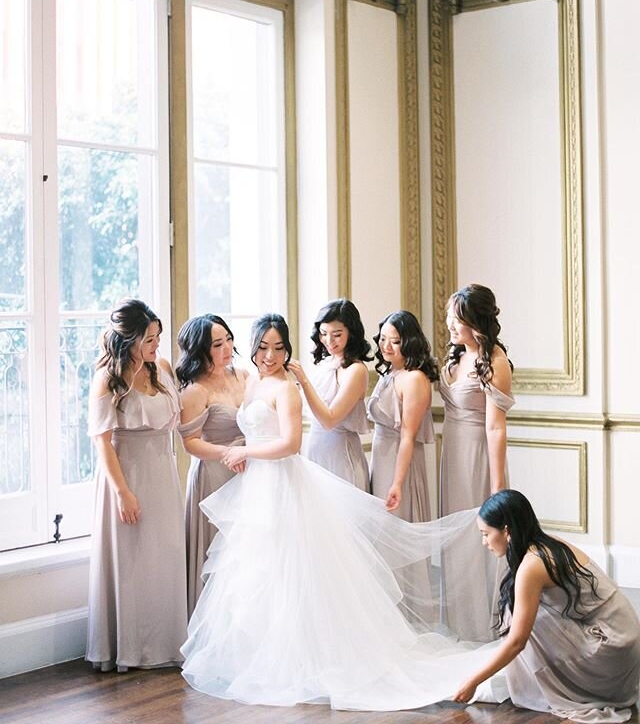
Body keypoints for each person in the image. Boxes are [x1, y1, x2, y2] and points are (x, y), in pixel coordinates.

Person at [181, 313, 506, 710]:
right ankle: (261, 653)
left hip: (281, 481)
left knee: (291, 571)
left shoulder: (286, 388)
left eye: (279, 347)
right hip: (256, 487)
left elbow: (289, 444)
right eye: (263, 347)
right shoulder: (251, 383)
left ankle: (304, 659)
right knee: (258, 573)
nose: (270, 355)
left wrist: (244, 451)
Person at [454, 490, 640, 723]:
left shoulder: (532, 565)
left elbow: (517, 642)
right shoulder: (548, 544)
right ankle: (532, 680)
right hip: (625, 639)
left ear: (507, 531)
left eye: (486, 534)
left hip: (612, 650)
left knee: (522, 620)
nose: (484, 543)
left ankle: (550, 687)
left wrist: (474, 681)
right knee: (523, 611)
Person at [86, 298, 187, 671]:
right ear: (127, 341)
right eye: (149, 339)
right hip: (125, 472)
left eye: (157, 337)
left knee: (165, 555)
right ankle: (127, 648)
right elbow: (102, 441)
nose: (156, 345)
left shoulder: (159, 368)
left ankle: (165, 643)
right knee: (131, 562)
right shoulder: (107, 380)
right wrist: (123, 492)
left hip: (162, 471)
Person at [175, 314, 248, 616]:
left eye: (228, 339)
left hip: (249, 472)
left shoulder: (243, 375)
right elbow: (190, 442)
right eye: (217, 344)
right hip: (215, 475)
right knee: (216, 550)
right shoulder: (195, 391)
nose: (227, 348)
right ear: (200, 350)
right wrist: (226, 454)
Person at [439, 284, 514, 516]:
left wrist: (497, 485)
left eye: (457, 319)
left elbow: (495, 428)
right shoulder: (459, 353)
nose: (450, 324)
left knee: (477, 521)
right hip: (452, 449)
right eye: (449, 317)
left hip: (477, 453)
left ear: (476, 322)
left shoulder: (495, 363)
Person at [288, 298, 371, 491]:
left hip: (341, 454)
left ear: (352, 333)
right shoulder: (326, 364)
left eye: (337, 335)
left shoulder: (356, 371)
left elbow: (329, 420)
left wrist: (303, 379)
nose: (329, 341)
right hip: (317, 449)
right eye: (323, 334)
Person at [367, 310, 438, 522]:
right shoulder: (389, 372)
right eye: (383, 339)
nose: (386, 346)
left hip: (400, 460)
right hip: (381, 457)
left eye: (395, 341)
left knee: (397, 520)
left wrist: (397, 482)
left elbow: (408, 436)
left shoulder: (414, 378)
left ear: (409, 342)